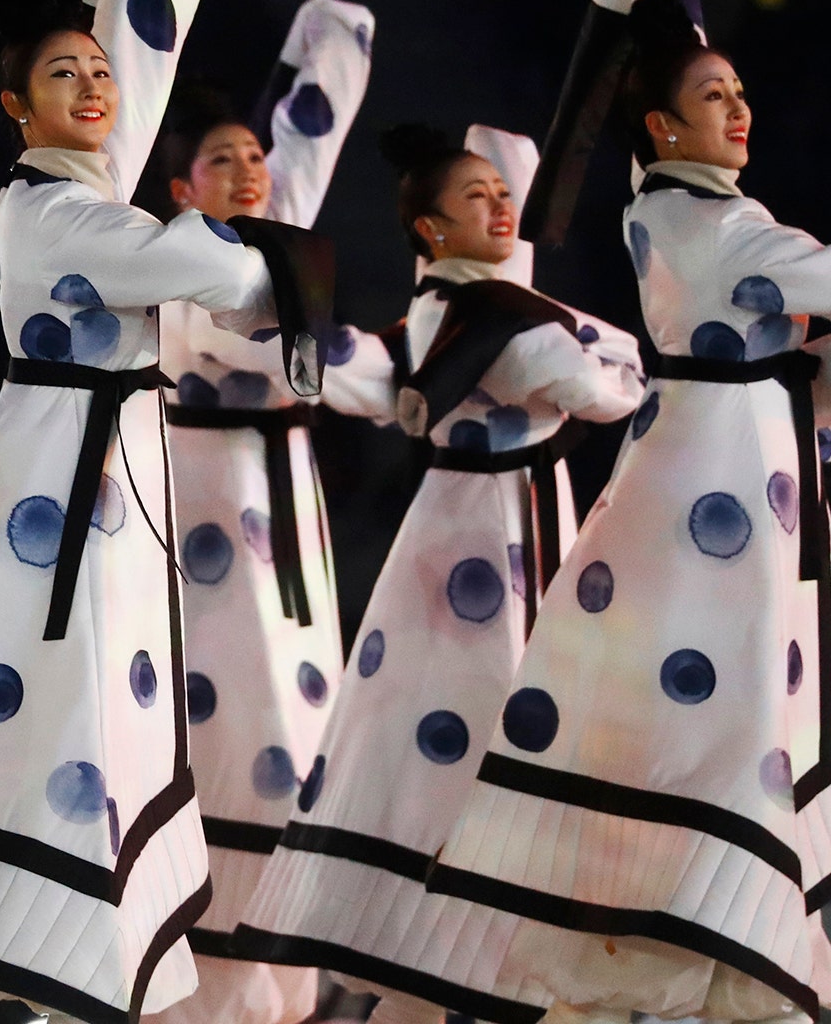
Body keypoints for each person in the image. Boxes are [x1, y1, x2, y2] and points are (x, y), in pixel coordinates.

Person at [0, 0, 333, 1019]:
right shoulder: (58, 213)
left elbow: (223, 274)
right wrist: (253, 255)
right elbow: (221, 271)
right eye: (64, 74)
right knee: (62, 711)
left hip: (98, 471)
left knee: (87, 714)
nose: (95, 85)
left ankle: (44, 964)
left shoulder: (87, 202)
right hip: (64, 481)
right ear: (16, 106)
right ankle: (12, 958)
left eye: (100, 69)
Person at [424, 0, 831, 1024]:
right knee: (722, 716)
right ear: (662, 127)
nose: (739, 109)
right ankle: (712, 955)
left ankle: (712, 954)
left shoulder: (675, 208)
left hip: (720, 471)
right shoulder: (712, 223)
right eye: (713, 95)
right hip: (717, 488)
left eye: (740, 92)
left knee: (712, 714)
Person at [234, 123, 645, 1024]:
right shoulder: (497, 319)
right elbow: (608, 387)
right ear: (431, 229)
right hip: (492, 544)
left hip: (461, 536)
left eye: (503, 194)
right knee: (497, 733)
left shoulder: (453, 312)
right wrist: (577, 335)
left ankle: (430, 960)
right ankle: (480, 952)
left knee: (434, 744)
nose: (500, 207)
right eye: (476, 197)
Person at [133, 0, 373, 1024]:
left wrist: (323, 33)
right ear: (181, 188)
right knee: (234, 727)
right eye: (220, 161)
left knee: (305, 723)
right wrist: (393, 367)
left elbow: (326, 100)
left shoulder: (273, 249)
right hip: (213, 518)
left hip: (288, 518)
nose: (248, 171)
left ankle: (288, 980)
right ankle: (212, 981)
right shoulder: (195, 268)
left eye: (253, 156)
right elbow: (295, 353)